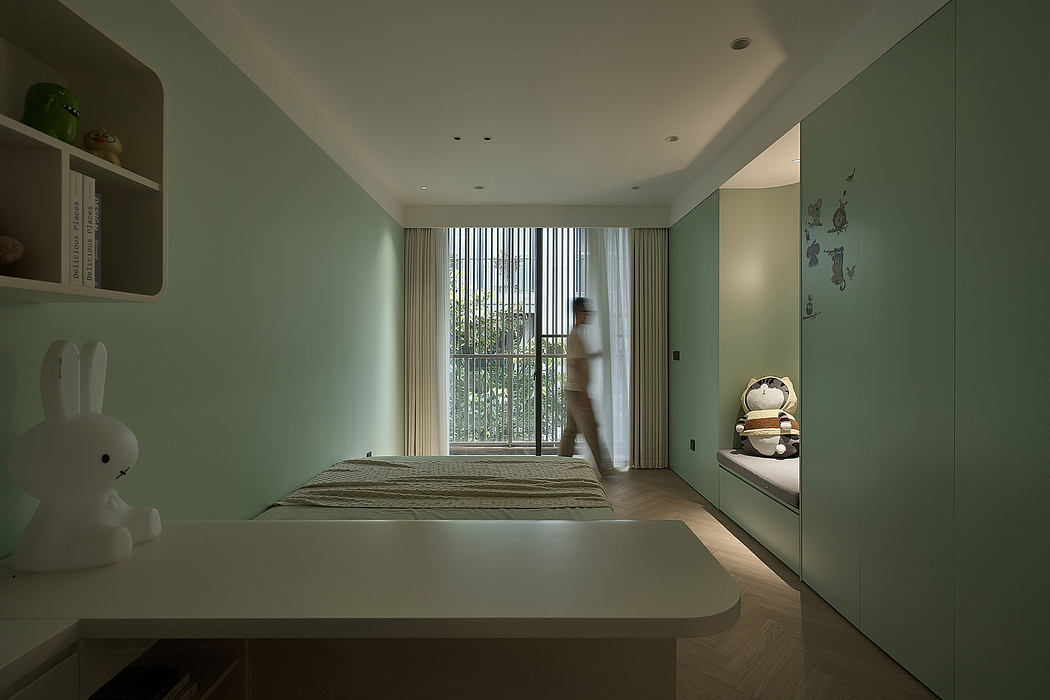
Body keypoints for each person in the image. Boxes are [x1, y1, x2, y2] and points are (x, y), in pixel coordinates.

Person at [558, 297, 615, 476]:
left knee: (571, 430)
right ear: (578, 313)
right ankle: (604, 469)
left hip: (572, 389)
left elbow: (579, 359)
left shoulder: (576, 334)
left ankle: (560, 464)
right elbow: (575, 365)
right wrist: (585, 394)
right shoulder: (575, 336)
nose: (589, 315)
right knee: (591, 429)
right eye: (586, 311)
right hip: (577, 390)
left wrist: (595, 355)